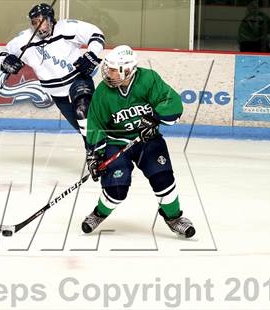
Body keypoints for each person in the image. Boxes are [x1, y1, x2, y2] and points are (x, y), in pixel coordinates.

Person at [82, 45, 195, 238]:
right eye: (107, 68)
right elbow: (95, 123)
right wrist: (94, 154)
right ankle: (98, 213)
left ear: (127, 70)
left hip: (148, 140)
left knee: (163, 179)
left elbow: (172, 101)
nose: (107, 73)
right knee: (116, 189)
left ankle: (174, 218)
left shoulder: (148, 79)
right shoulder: (103, 92)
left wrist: (155, 118)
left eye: (112, 70)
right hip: (116, 142)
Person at [0, 3, 105, 149]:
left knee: (83, 111)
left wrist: (91, 54)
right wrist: (6, 62)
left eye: (43, 21)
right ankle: (96, 154)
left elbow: (96, 34)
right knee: (84, 129)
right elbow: (3, 55)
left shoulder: (66, 27)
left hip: (77, 80)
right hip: (57, 93)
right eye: (35, 22)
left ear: (51, 19)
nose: (40, 26)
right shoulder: (25, 38)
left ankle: (102, 151)